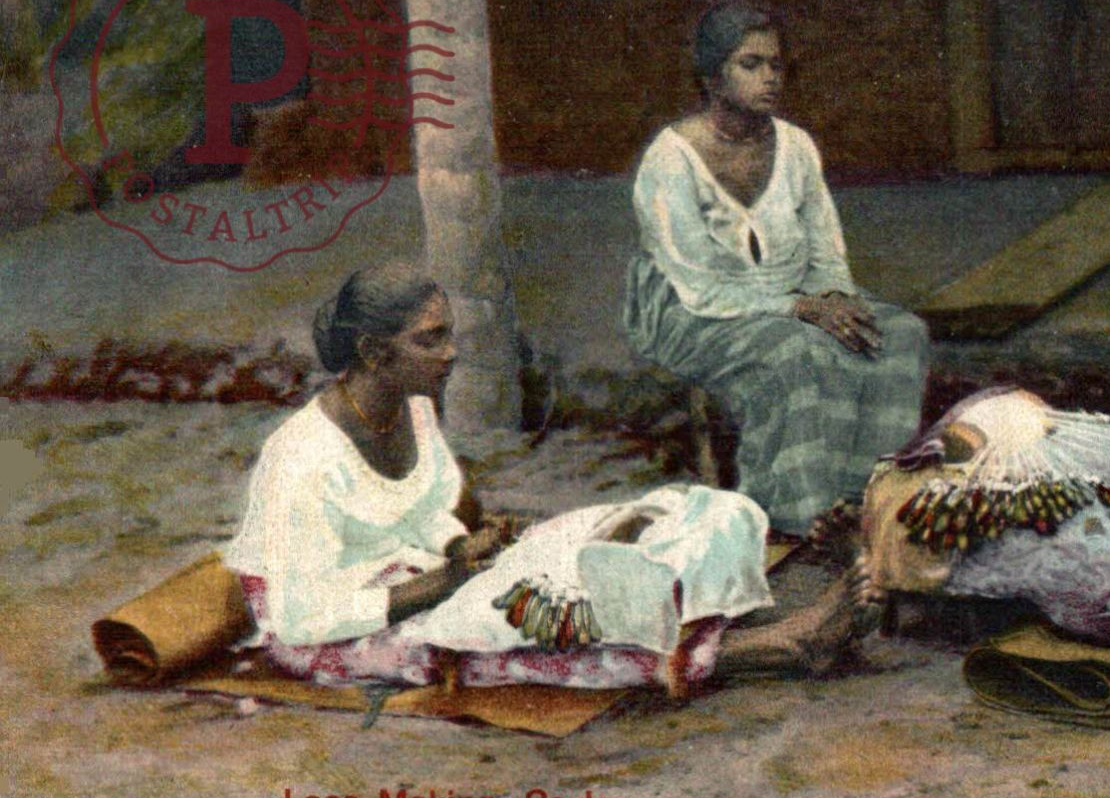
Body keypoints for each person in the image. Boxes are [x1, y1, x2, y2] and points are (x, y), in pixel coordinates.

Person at [222, 263, 875, 688]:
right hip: (332, 626)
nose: (451, 352)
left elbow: (419, 511)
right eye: (431, 339)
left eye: (448, 333)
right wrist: (453, 578)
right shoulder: (301, 454)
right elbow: (301, 614)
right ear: (371, 352)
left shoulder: (410, 407)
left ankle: (681, 603)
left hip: (415, 574)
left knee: (656, 516)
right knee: (540, 630)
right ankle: (782, 647)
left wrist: (457, 545)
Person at [622, 0, 931, 538]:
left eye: (776, 65)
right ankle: (796, 510)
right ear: (713, 78)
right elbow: (698, 285)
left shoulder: (795, 147)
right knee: (796, 350)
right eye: (751, 64)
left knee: (900, 333)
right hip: (694, 313)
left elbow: (824, 247)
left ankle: (863, 494)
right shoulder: (671, 158)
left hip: (789, 297)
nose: (770, 78)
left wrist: (833, 297)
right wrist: (804, 309)